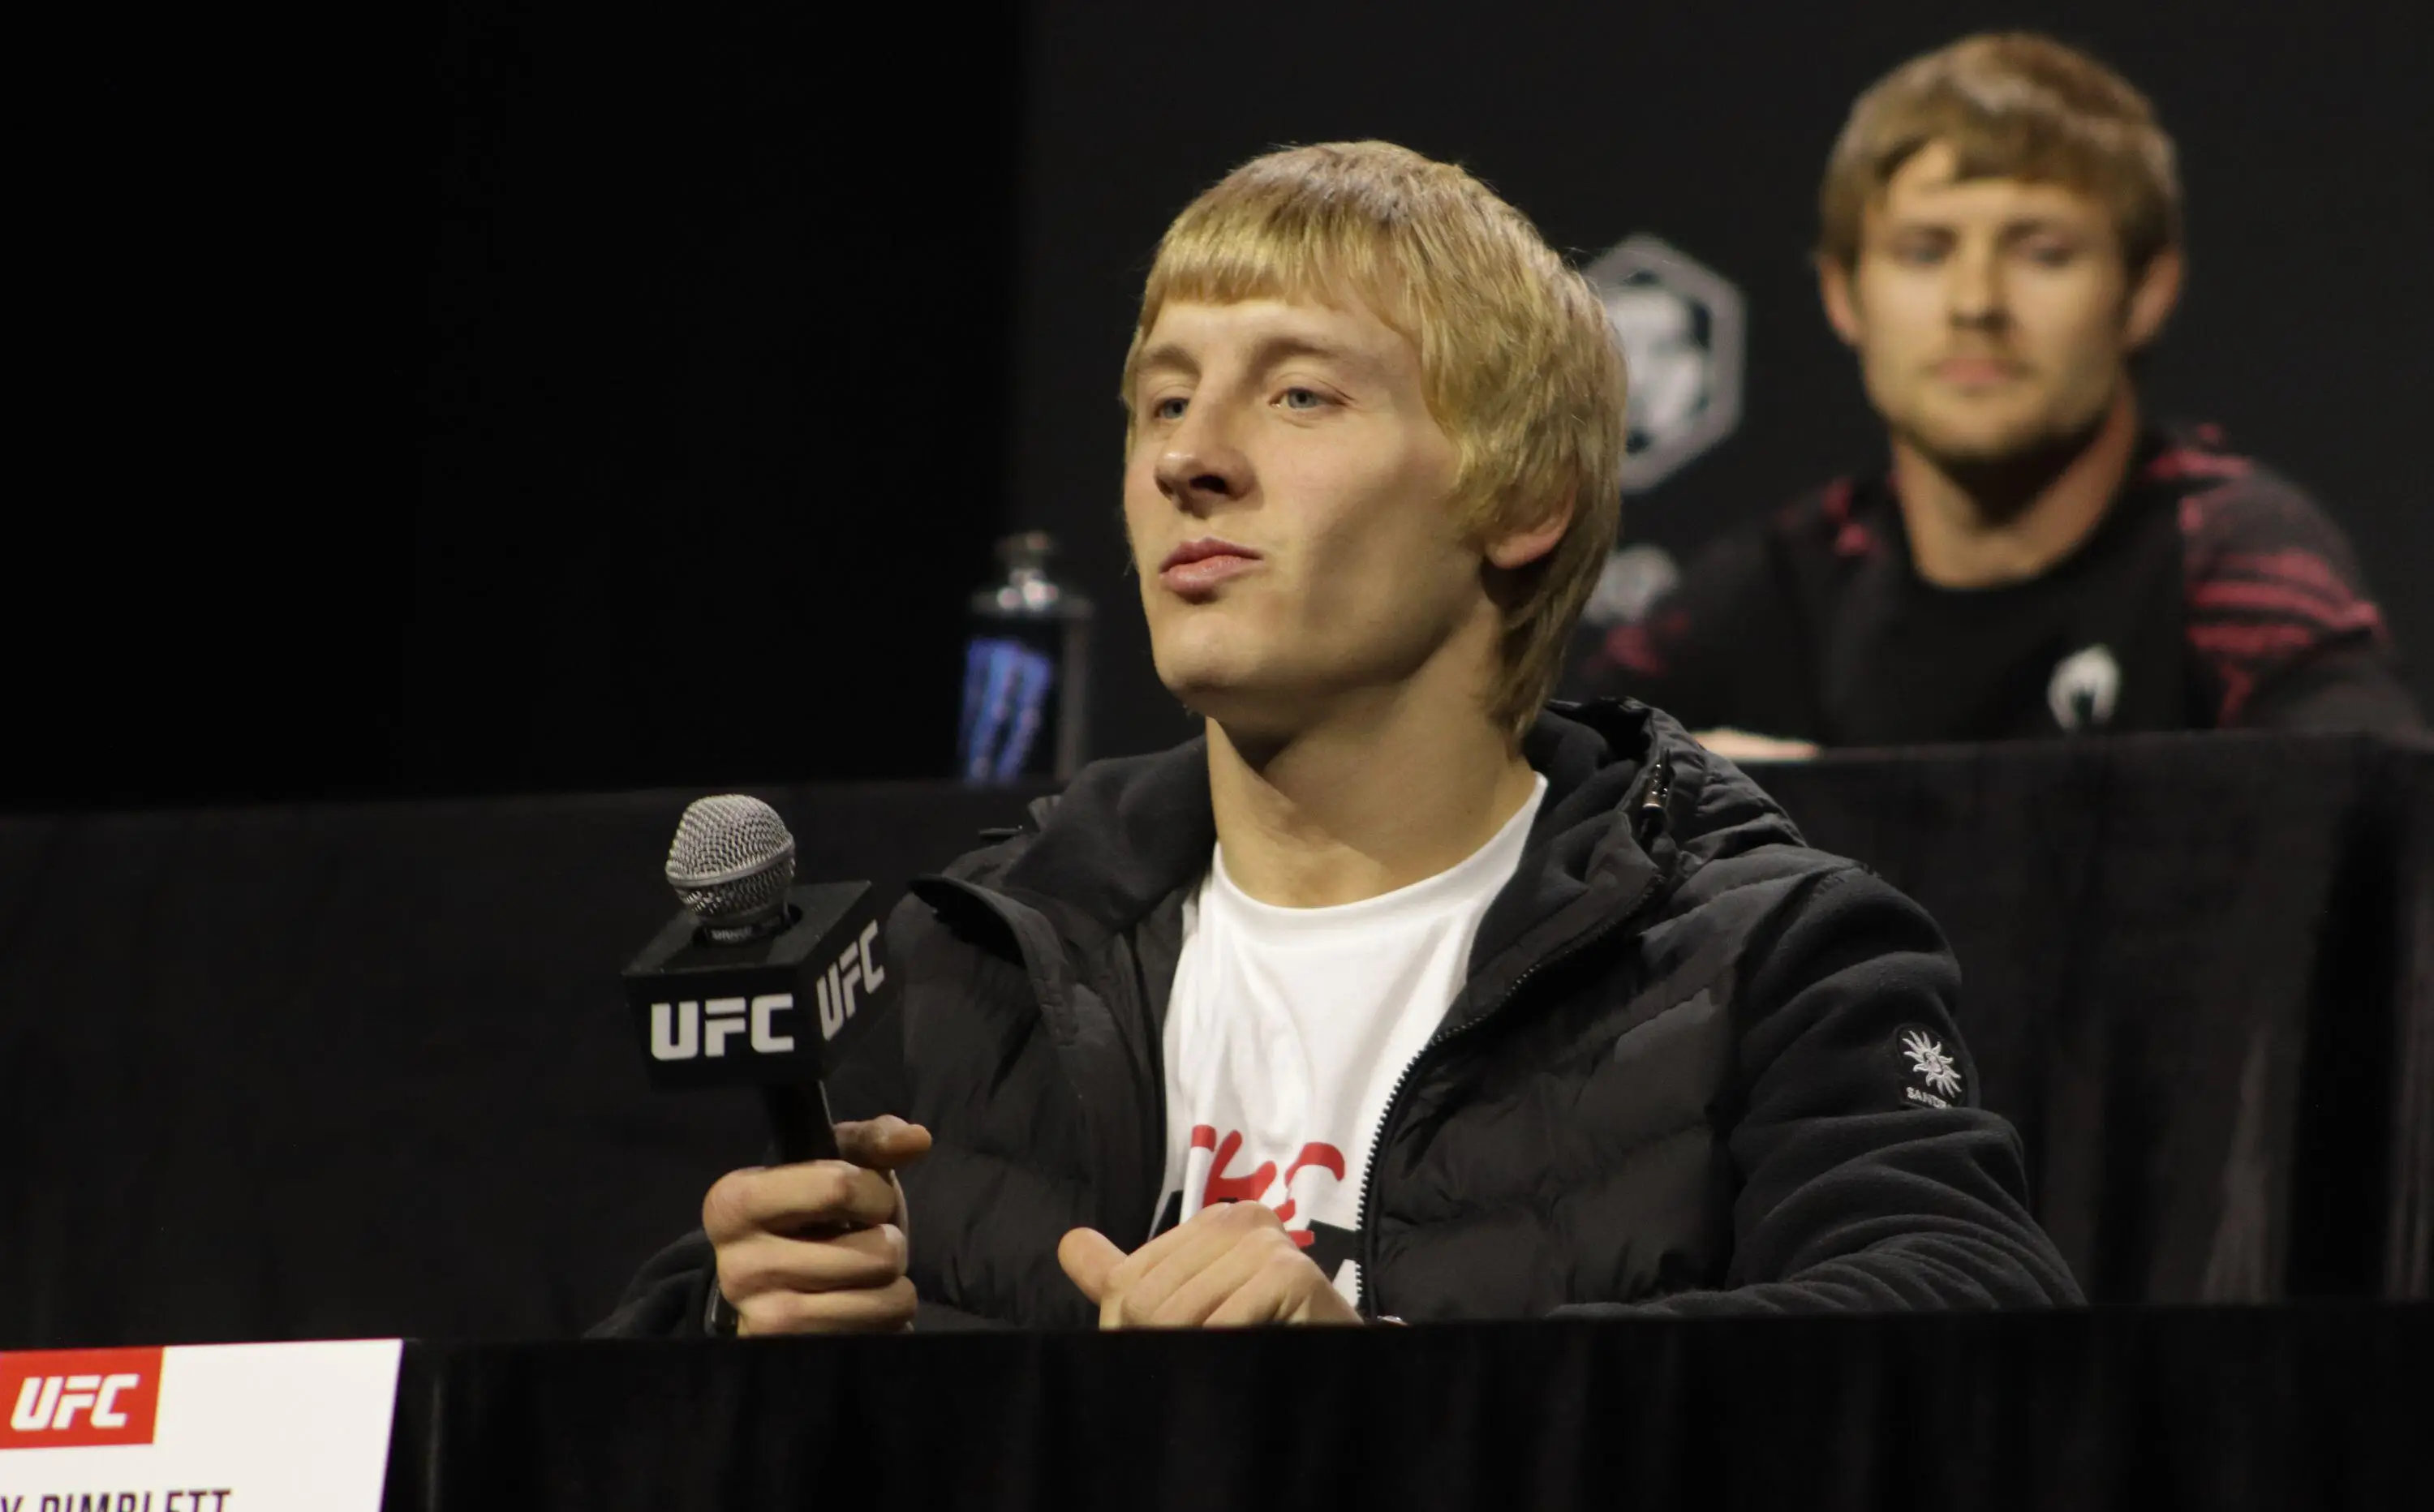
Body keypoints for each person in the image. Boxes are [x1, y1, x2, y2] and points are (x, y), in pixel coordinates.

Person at [598, 140, 2079, 1338]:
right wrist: (743, 1335)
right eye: (1163, 400)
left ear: (1523, 499)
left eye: (1298, 394)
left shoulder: (1764, 957)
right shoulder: (982, 953)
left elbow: (1973, 1318)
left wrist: (1374, 1391)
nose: (1189, 457)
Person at [1569, 32, 2420, 755]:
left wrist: (1821, 823)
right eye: (1925, 251)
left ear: (2146, 292)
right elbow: (1543, 811)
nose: (1976, 303)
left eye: (2042, 251)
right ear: (1842, 292)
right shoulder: (1774, 595)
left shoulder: (2229, 563)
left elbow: (2382, 835)